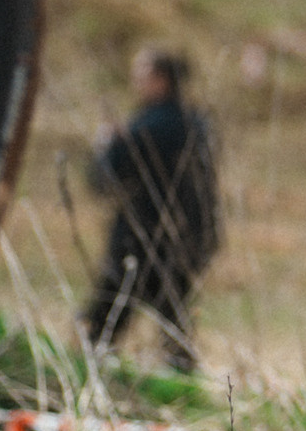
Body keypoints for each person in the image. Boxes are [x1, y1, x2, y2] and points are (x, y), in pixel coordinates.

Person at [81, 47, 220, 372]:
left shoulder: (148, 127)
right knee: (172, 318)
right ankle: (178, 374)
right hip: (186, 238)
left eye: (141, 75)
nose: (135, 82)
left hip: (140, 239)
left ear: (161, 80)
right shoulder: (197, 123)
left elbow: (107, 177)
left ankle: (93, 371)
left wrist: (108, 144)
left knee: (107, 314)